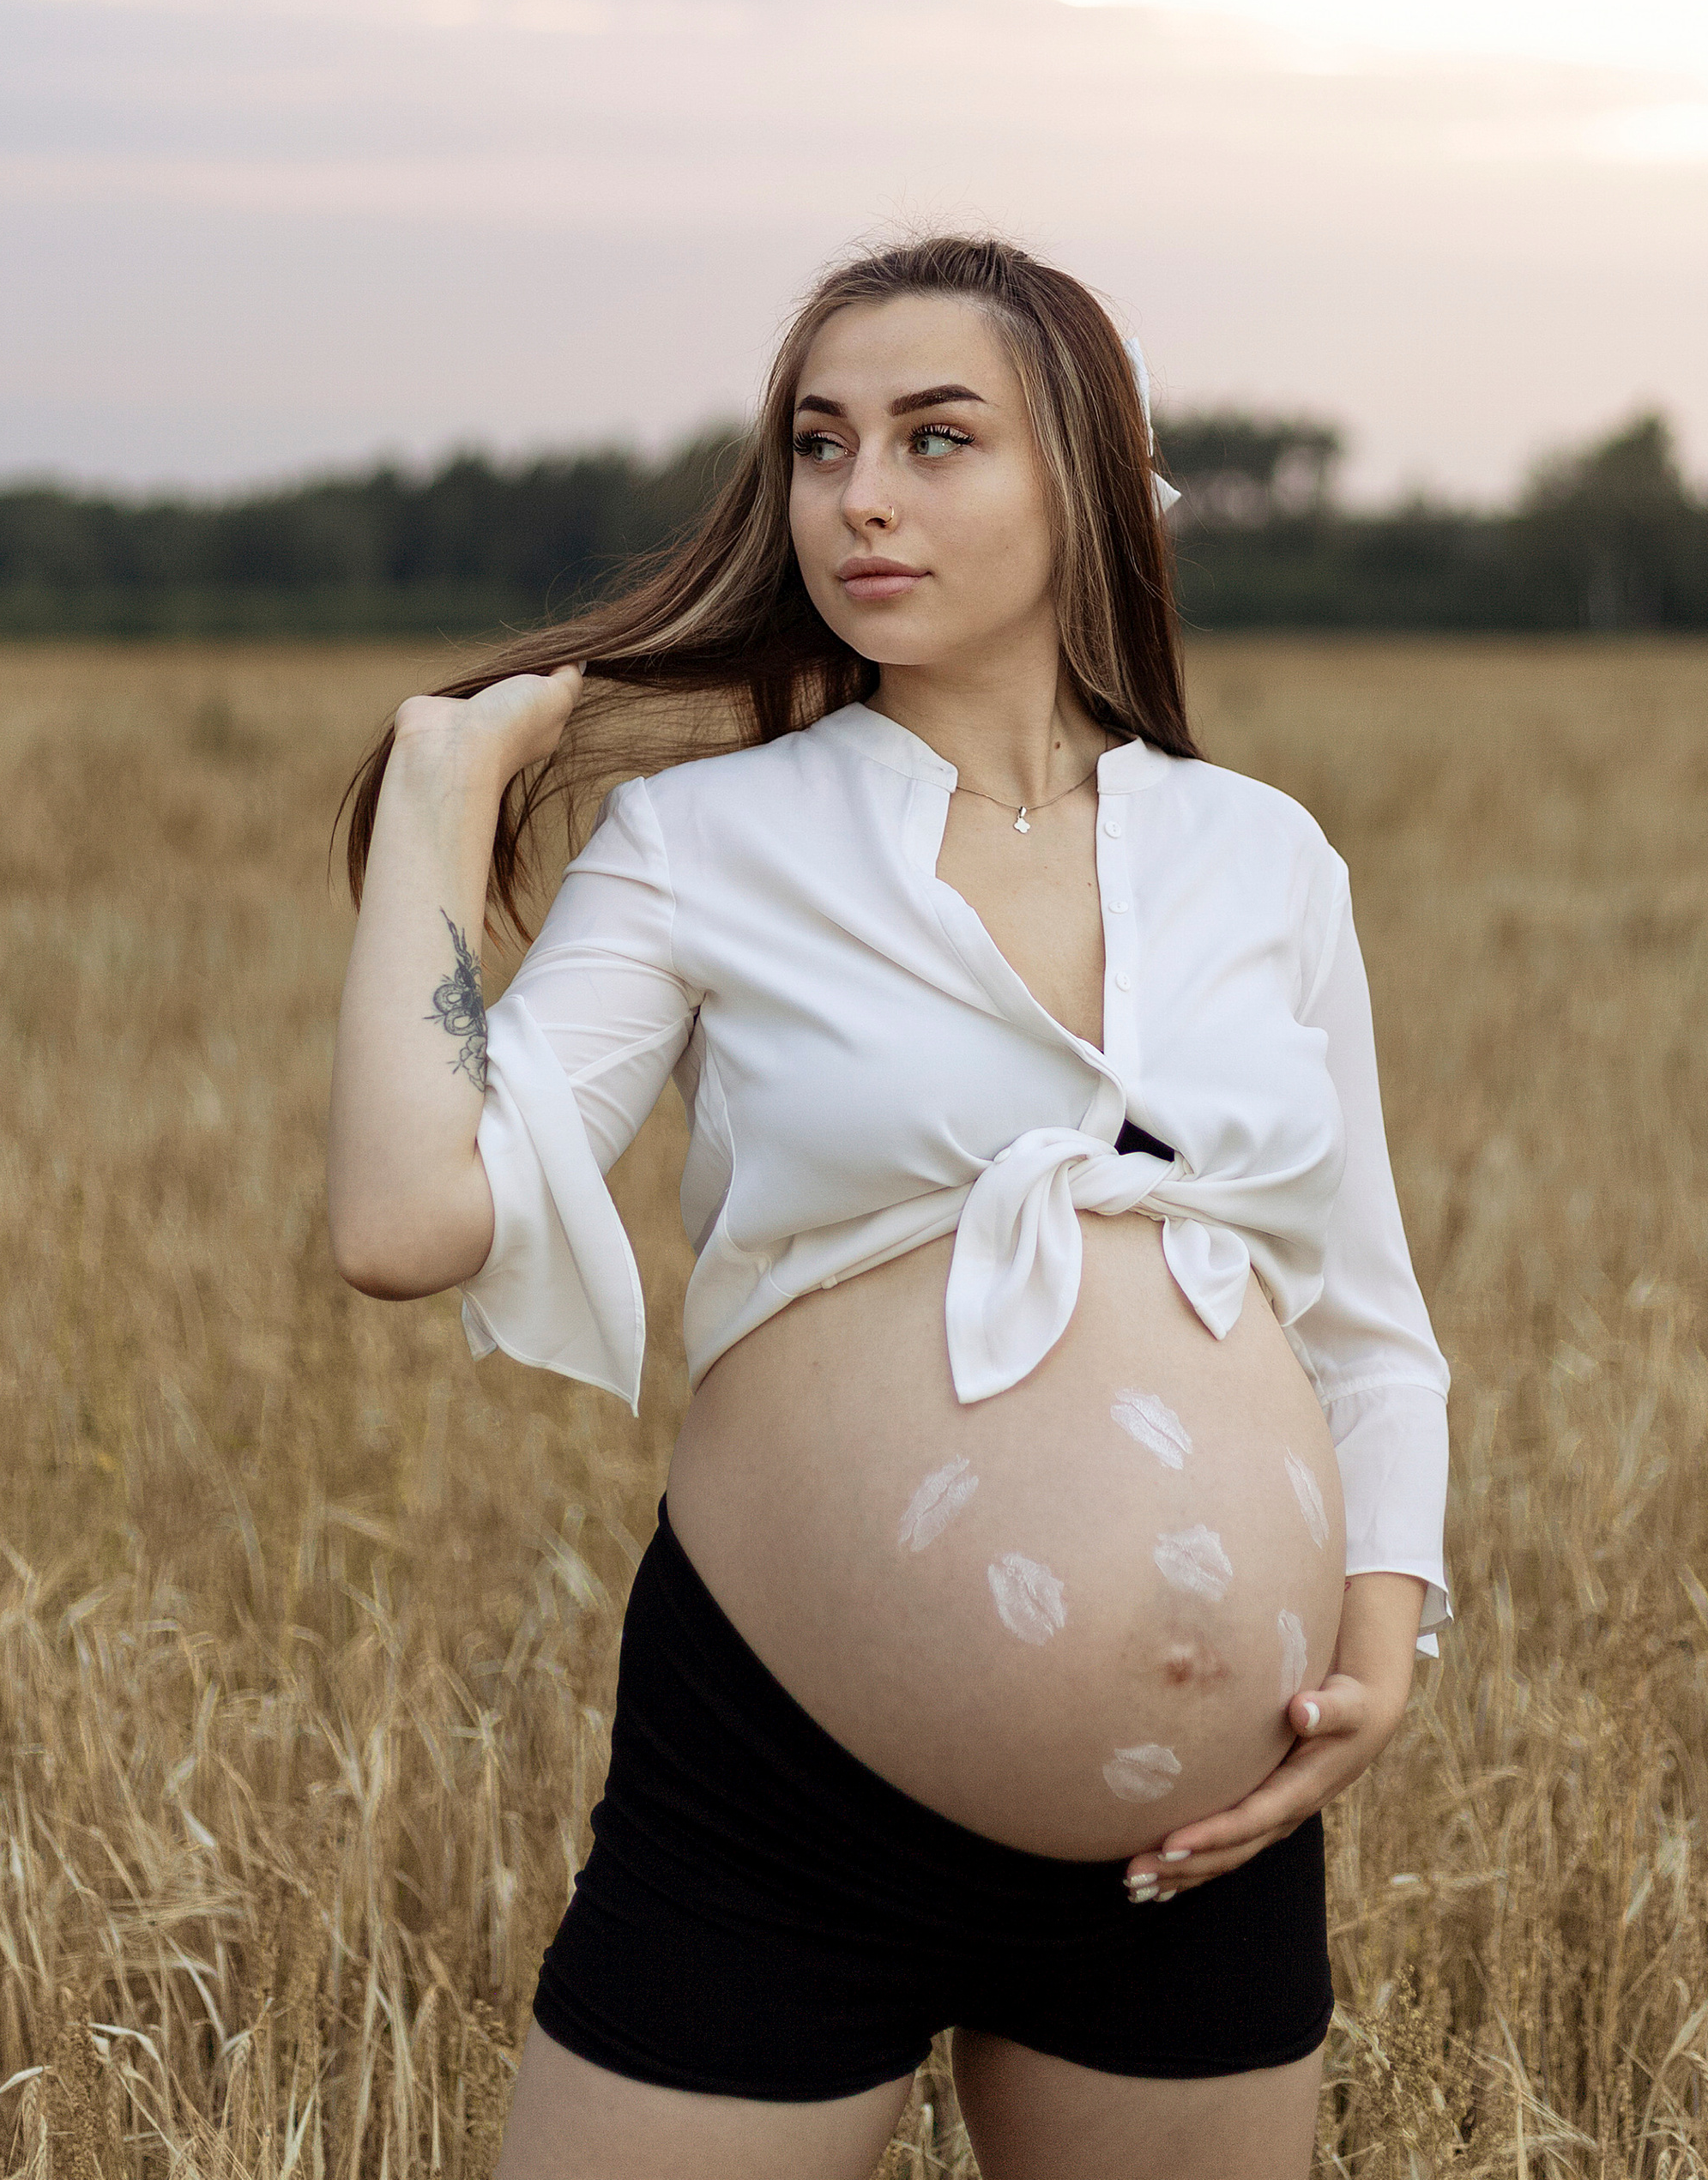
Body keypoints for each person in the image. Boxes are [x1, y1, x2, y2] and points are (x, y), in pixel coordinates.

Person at [329, 234, 1451, 2180]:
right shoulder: (701, 842)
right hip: (782, 1795)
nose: (859, 497)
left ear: (1090, 480)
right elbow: (409, 1222)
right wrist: (439, 796)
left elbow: (1359, 1314)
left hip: (1196, 1834)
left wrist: (1377, 1643)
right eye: (818, 443)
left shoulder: (1259, 856)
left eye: (937, 441)